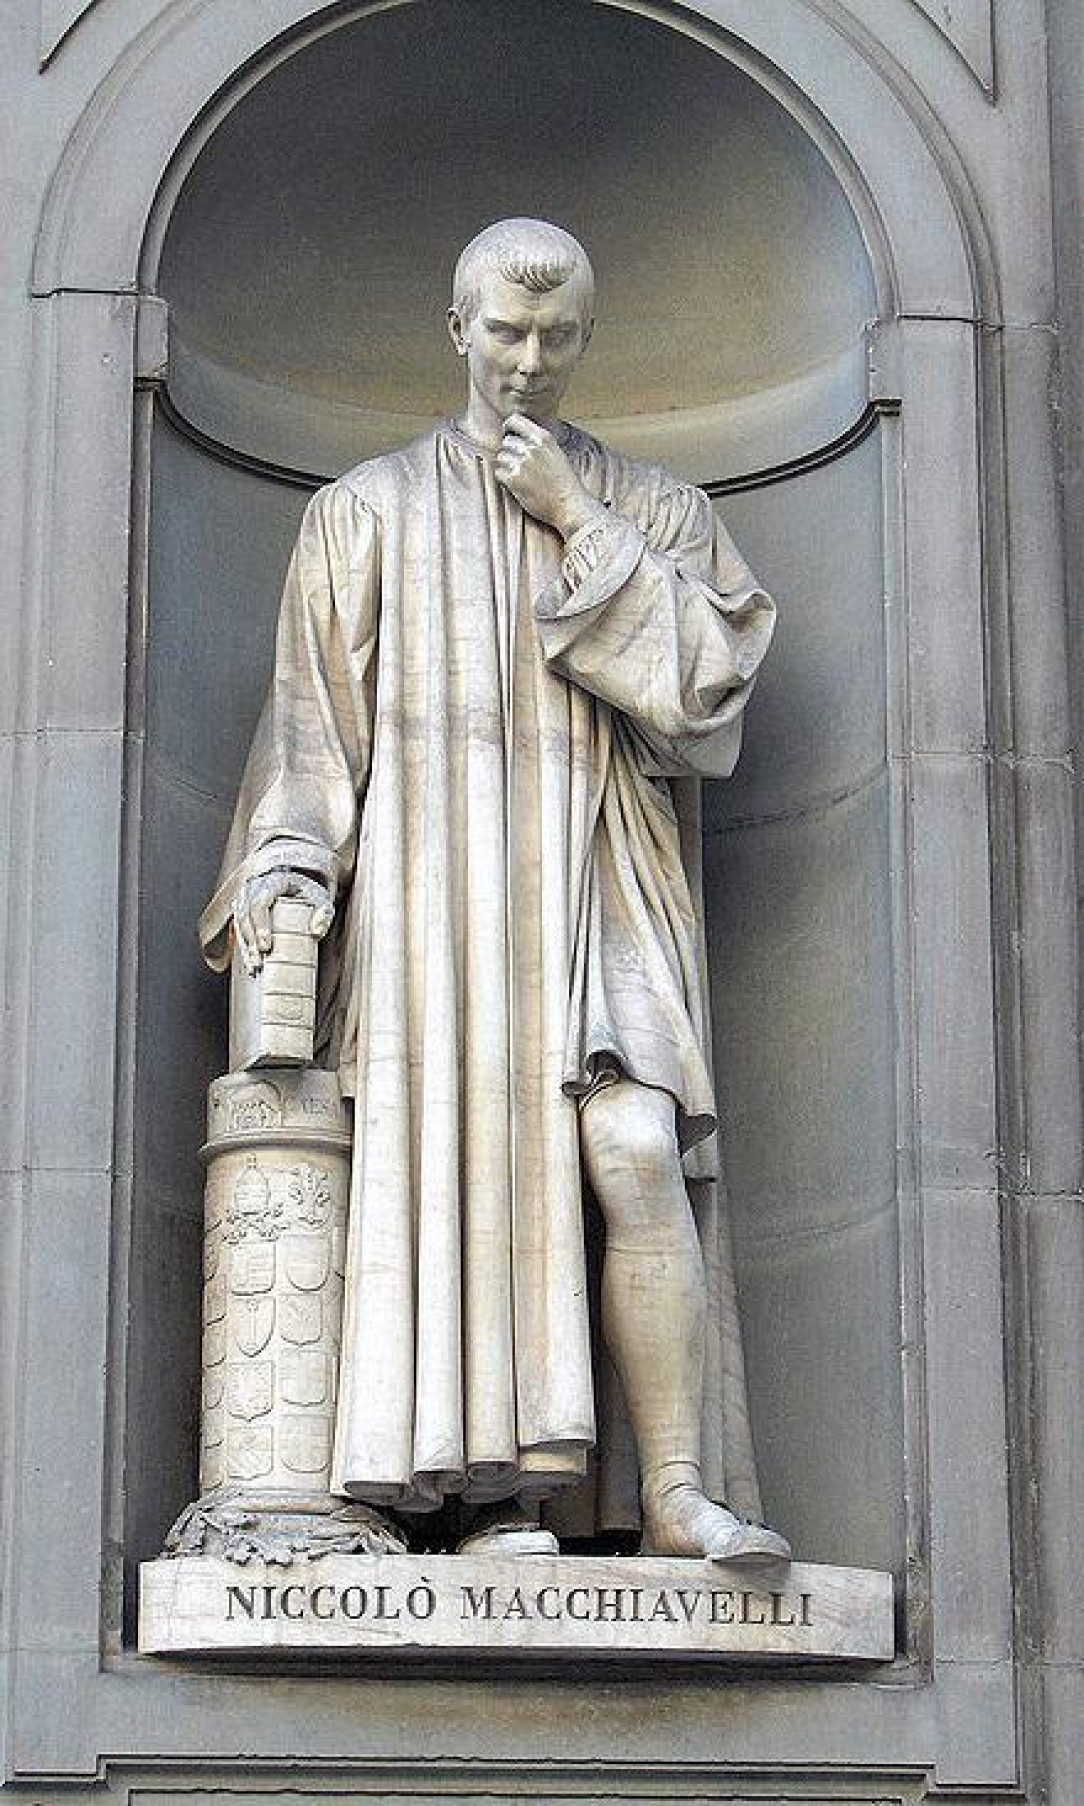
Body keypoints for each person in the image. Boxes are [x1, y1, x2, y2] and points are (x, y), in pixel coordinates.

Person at [200, 219, 789, 1565]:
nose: (529, 361)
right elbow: (311, 739)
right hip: (437, 909)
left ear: (586, 341)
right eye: (506, 332)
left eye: (558, 336)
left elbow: (709, 702)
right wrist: (286, 877)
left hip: (604, 877)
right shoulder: (367, 512)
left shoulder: (654, 510)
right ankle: (498, 1499)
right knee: (476, 1170)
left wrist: (576, 521)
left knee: (638, 1146)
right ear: (454, 327)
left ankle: (682, 1490)